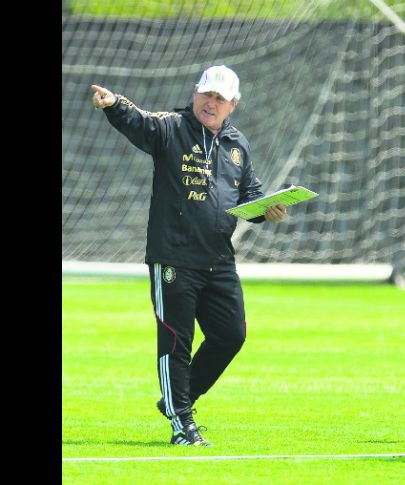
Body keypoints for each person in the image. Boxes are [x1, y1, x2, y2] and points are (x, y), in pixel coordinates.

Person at [91, 65, 287, 446]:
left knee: (231, 336)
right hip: (174, 258)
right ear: (195, 93)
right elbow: (139, 122)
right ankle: (183, 424)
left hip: (218, 260)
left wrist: (269, 210)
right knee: (176, 342)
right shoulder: (170, 128)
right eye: (206, 94)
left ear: (233, 105)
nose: (211, 103)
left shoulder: (237, 145)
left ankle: (179, 399)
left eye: (220, 98)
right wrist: (114, 104)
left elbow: (251, 197)